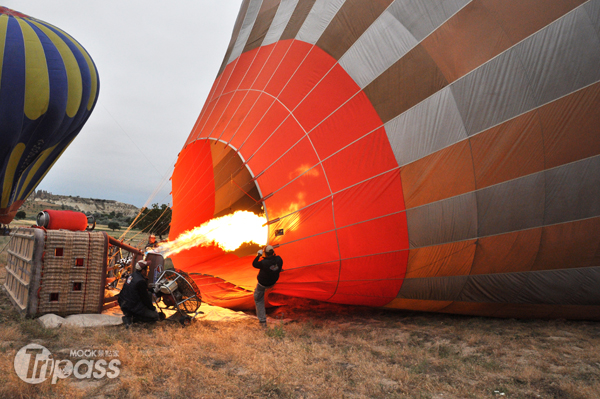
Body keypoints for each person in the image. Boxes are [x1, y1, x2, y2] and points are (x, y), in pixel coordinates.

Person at [118, 260, 160, 327]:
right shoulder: (141, 281)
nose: (149, 270)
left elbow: (140, 289)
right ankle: (132, 318)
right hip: (131, 306)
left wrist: (152, 290)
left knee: (148, 293)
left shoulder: (132, 275)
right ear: (143, 271)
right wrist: (153, 309)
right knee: (155, 316)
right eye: (147, 269)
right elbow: (145, 299)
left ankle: (130, 315)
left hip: (123, 303)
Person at [252, 245, 283, 328]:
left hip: (262, 284)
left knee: (258, 299)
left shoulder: (264, 262)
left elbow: (254, 264)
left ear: (265, 253)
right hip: (272, 282)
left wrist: (258, 255)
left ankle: (262, 322)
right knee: (267, 290)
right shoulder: (279, 259)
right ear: (273, 252)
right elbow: (279, 268)